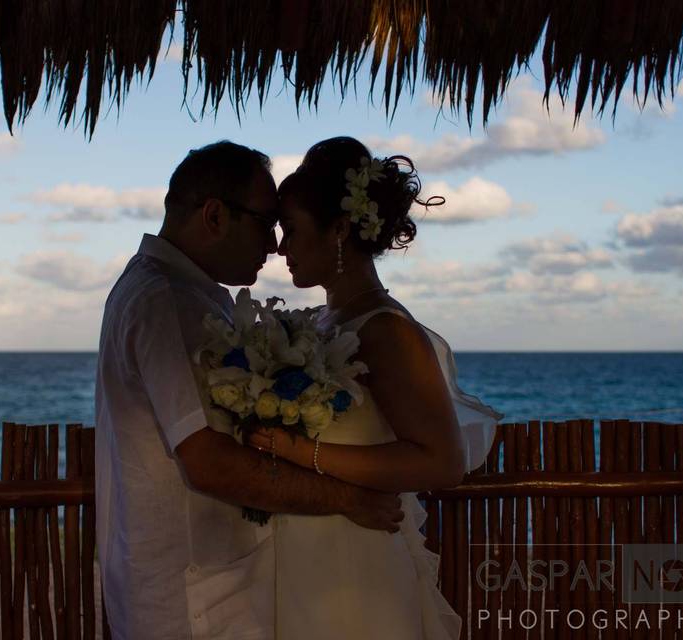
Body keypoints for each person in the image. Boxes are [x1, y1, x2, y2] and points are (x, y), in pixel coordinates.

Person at [94, 140, 405, 640]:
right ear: (215, 216)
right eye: (266, 221)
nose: (275, 242)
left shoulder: (180, 293)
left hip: (204, 588)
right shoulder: (165, 301)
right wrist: (348, 499)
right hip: (197, 599)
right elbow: (208, 460)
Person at [248, 136, 500, 640]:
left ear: (339, 229)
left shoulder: (387, 331)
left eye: (291, 230)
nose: (281, 248)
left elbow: (441, 462)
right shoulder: (323, 320)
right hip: (304, 548)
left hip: (352, 562)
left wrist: (303, 453)